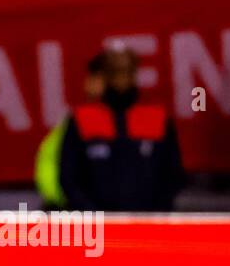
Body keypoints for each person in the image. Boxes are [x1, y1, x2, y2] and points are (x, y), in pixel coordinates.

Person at [59, 43, 184, 210]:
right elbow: (69, 177)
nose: (121, 77)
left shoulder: (157, 117)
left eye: (126, 70)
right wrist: (92, 216)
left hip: (149, 224)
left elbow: (173, 174)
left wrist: (156, 215)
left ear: (134, 72)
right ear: (105, 74)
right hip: (98, 226)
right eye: (115, 71)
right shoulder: (81, 119)